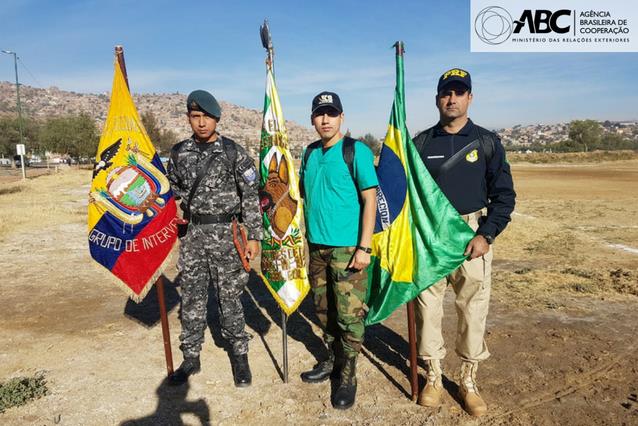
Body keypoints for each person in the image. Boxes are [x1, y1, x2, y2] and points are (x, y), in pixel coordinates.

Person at [412, 69, 516, 416]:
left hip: (472, 235)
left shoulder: (487, 142)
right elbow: (406, 196)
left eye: (459, 92)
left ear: (470, 97)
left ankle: (468, 380)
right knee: (427, 310)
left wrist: (486, 235)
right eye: (446, 93)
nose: (452, 98)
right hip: (432, 238)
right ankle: (433, 376)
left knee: (473, 310)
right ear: (437, 98)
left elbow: (504, 196)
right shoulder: (421, 144)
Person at [166, 90, 262, 387]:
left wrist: (254, 236)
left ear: (216, 118)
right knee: (192, 299)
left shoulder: (234, 153)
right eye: (195, 117)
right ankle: (190, 357)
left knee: (230, 298)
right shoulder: (178, 153)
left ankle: (240, 356)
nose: (201, 123)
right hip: (194, 236)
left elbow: (250, 197)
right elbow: (171, 193)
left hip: (226, 237)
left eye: (206, 117)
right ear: (188, 119)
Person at [299, 91, 378, 409]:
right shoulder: (308, 153)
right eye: (320, 114)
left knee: (349, 317)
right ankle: (332, 360)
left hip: (348, 249)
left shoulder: (355, 151)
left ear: (341, 117)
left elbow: (369, 199)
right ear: (313, 120)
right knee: (323, 311)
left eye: (331, 113)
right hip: (316, 248)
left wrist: (364, 247)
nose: (325, 119)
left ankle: (348, 374)